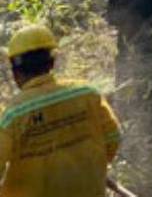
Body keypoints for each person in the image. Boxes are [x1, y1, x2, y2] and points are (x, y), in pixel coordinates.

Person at [0, 24, 122, 197]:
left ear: (15, 72)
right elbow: (113, 138)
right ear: (52, 62)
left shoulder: (14, 114)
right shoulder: (87, 94)